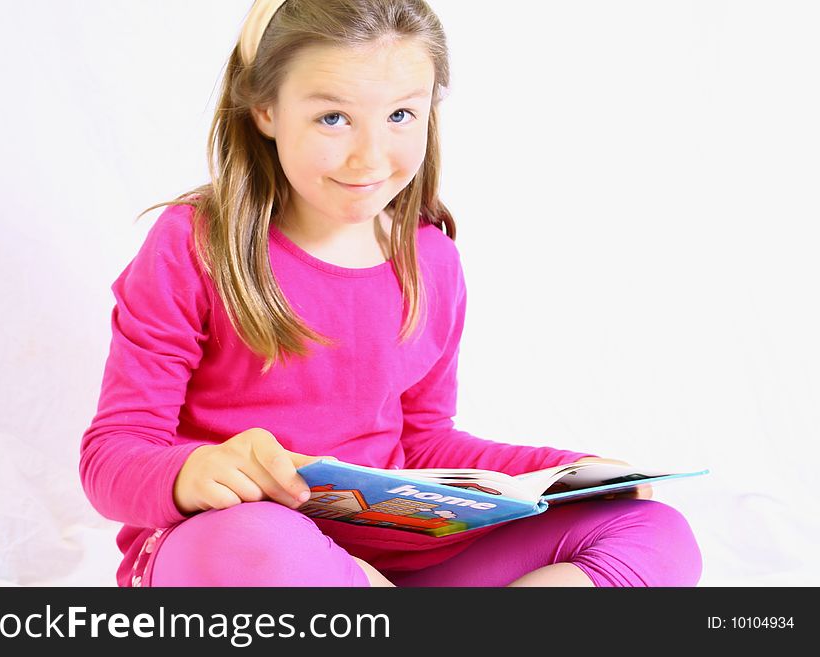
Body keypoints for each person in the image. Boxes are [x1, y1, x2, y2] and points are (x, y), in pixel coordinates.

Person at [80, 0, 702, 588]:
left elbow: (427, 442)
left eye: (401, 115)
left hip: (389, 555)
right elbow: (112, 455)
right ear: (265, 110)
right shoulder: (193, 244)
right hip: (236, 545)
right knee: (256, 541)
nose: (370, 156)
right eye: (332, 117)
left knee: (654, 532)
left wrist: (572, 474)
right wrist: (192, 472)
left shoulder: (430, 259)